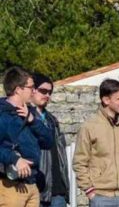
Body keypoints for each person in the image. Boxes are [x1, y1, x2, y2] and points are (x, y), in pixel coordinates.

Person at [73, 79, 119, 207]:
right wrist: (90, 191)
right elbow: (80, 161)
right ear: (106, 100)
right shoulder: (89, 127)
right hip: (100, 197)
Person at [0, 67, 54, 206]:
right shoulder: (2, 114)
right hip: (10, 186)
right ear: (18, 89)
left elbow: (48, 141)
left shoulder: (31, 112)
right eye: (31, 87)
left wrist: (32, 120)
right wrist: (15, 159)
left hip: (32, 184)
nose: (33, 91)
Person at [29, 73, 69, 207]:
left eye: (50, 92)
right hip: (37, 190)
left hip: (58, 191)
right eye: (43, 91)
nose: (47, 95)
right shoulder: (24, 118)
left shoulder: (53, 120)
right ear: (32, 90)